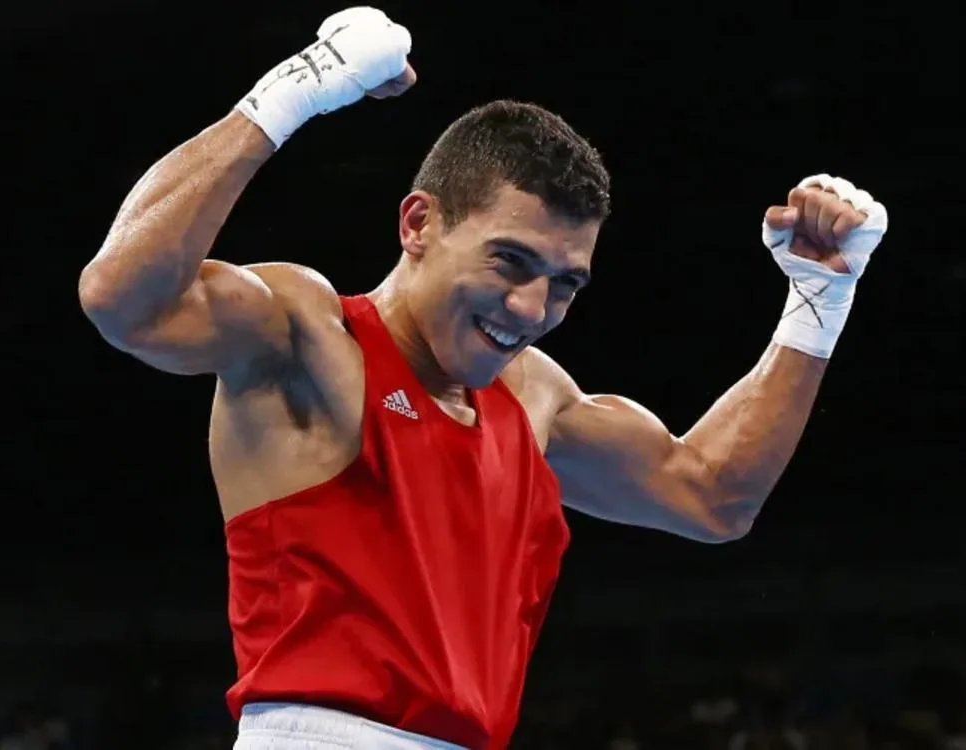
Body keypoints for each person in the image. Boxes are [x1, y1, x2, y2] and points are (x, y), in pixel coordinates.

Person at [77, 7, 888, 750]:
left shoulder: (533, 397)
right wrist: (295, 91)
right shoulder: (309, 337)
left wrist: (819, 299)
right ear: (419, 223)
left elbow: (714, 497)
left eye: (565, 283)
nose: (531, 307)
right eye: (510, 261)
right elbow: (123, 300)